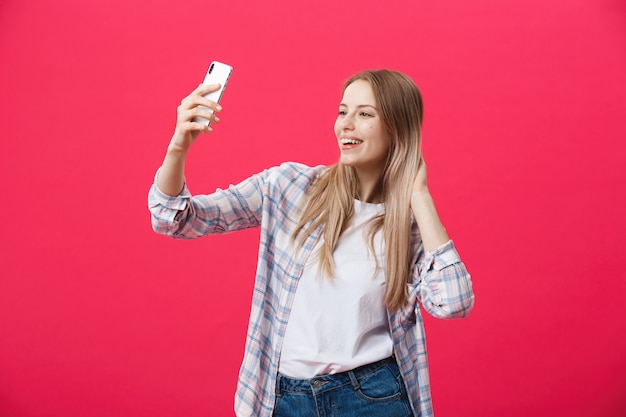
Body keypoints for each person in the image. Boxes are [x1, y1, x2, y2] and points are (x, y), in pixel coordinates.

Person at [148, 69, 475, 417]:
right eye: (342, 111)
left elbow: (454, 303)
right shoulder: (290, 187)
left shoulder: (408, 226)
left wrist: (419, 196)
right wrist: (178, 145)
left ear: (398, 128)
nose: (346, 124)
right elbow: (175, 218)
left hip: (374, 398)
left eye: (364, 114)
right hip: (285, 399)